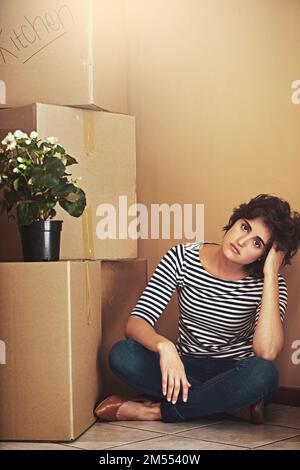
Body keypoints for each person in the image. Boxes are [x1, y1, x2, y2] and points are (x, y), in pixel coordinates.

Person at [94, 194, 300, 423]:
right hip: (184, 367)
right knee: (123, 354)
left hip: (235, 373)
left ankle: (157, 411)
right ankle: (226, 406)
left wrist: (271, 272)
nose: (241, 241)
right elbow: (136, 322)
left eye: (257, 243)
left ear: (264, 256)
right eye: (244, 227)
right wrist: (165, 347)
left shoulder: (271, 284)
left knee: (264, 373)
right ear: (235, 220)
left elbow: (267, 352)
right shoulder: (182, 257)